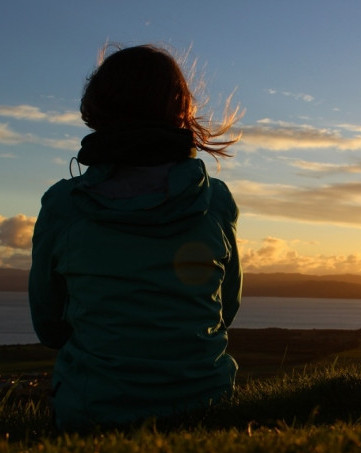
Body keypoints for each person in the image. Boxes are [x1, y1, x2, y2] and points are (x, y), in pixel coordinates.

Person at [28, 44, 242, 431]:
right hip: (208, 407)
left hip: (92, 413)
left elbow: (49, 328)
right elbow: (225, 310)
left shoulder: (64, 206)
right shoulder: (215, 201)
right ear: (181, 109)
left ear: (97, 110)